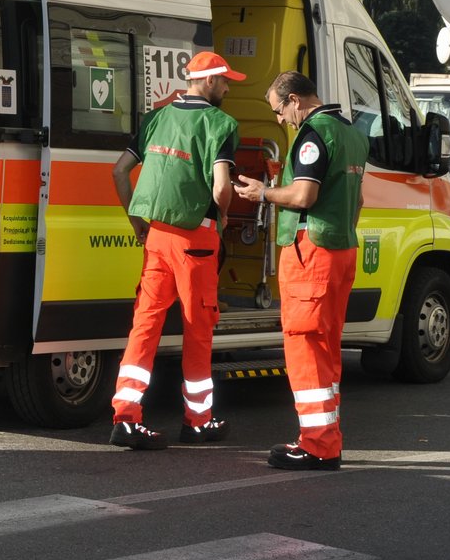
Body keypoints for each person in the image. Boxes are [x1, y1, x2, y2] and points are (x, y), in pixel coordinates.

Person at [106, 50, 244, 451]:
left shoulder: (156, 118)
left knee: (144, 325)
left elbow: (118, 171)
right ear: (210, 81)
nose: (229, 87)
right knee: (197, 330)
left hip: (155, 237)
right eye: (226, 81)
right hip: (195, 241)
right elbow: (221, 187)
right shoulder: (220, 124)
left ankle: (126, 417)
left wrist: (137, 224)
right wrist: (224, 216)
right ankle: (198, 421)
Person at [233, 71, 366, 471]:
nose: (279, 120)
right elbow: (356, 200)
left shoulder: (313, 133)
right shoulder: (353, 133)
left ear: (295, 100)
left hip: (312, 251)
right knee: (326, 350)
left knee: (305, 348)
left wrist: (264, 193)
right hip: (340, 247)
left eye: (279, 110)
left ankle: (317, 445)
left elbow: (305, 194)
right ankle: (326, 439)